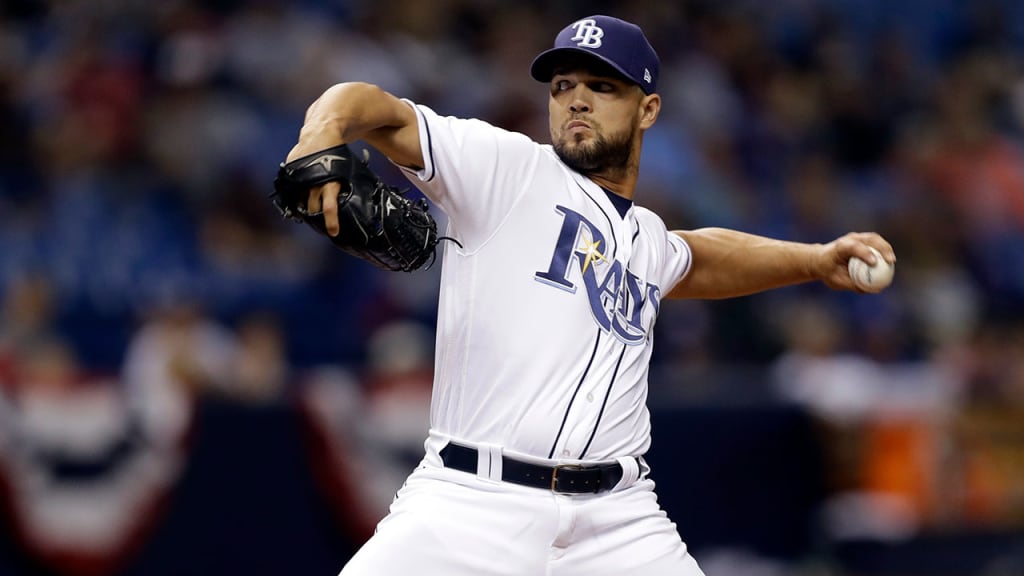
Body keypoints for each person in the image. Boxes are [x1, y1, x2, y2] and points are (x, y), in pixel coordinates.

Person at [284, 14, 896, 576]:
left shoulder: (647, 239)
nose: (575, 98)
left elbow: (702, 256)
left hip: (619, 520)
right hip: (473, 504)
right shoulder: (506, 169)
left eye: (602, 86)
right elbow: (376, 109)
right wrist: (320, 132)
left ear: (648, 108)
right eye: (562, 86)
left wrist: (816, 260)